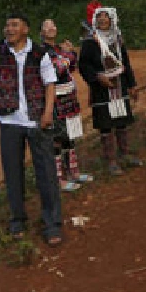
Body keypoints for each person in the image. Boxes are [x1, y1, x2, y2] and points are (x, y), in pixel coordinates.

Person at [0, 6, 62, 244]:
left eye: (14, 25)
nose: (9, 29)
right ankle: (17, 220)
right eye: (7, 25)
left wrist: (47, 113)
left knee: (46, 173)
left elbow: (50, 84)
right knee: (12, 173)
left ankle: (52, 224)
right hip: (9, 122)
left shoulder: (40, 53)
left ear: (25, 29)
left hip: (36, 120)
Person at [78, 8, 141, 175]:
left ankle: (124, 154)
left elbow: (125, 62)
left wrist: (132, 84)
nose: (103, 19)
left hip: (119, 85)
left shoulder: (117, 39)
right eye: (99, 17)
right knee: (106, 124)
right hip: (101, 88)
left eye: (106, 16)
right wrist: (97, 77)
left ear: (112, 19)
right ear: (95, 21)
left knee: (121, 121)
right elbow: (83, 65)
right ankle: (111, 159)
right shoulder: (90, 41)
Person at [39, 20, 93, 193]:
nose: (51, 28)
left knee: (70, 136)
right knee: (56, 139)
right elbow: (57, 70)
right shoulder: (41, 52)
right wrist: (68, 57)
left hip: (69, 97)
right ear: (42, 32)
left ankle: (74, 173)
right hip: (55, 100)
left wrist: (69, 55)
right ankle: (59, 179)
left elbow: (71, 66)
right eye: (47, 26)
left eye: (53, 25)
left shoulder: (59, 50)